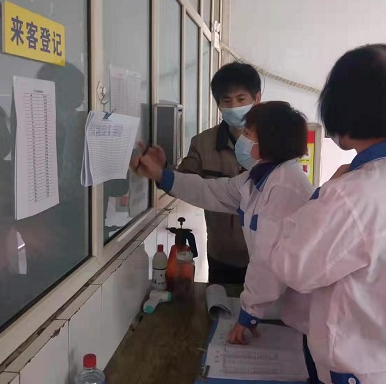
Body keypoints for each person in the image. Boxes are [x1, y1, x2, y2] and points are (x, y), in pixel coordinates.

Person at [249, 45, 386, 384]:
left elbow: (294, 268)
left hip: (365, 373)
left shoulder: (352, 194)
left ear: (344, 112)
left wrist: (320, 196)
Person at [132, 101, 316, 343]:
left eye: (248, 134)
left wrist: (249, 314)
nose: (242, 139)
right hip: (276, 303)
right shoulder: (257, 178)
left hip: (293, 309)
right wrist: (161, 175)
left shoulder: (285, 187)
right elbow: (211, 191)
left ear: (269, 142)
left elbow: (268, 261)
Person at [180, 62, 262, 284]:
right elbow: (184, 184)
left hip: (264, 258)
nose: (234, 106)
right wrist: (161, 172)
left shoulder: (274, 142)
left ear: (257, 98)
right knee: (219, 303)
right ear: (218, 105)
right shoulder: (202, 143)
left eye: (241, 99)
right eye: (227, 100)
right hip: (221, 256)